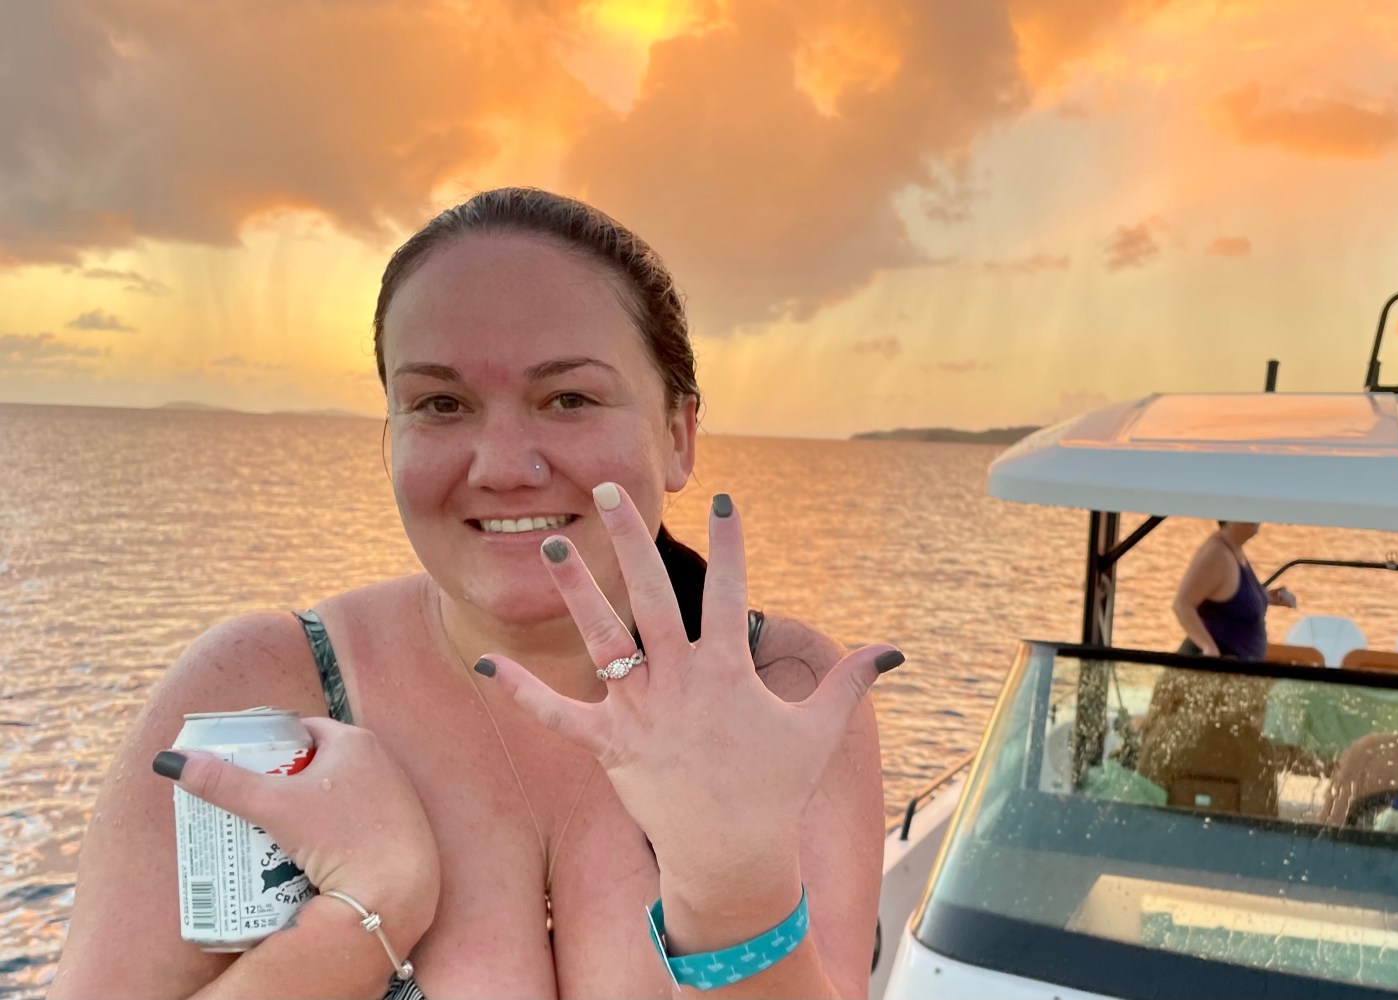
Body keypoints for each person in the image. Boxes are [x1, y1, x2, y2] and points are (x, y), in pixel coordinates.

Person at [50, 189, 901, 998]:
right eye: (441, 403)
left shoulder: (780, 695)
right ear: (391, 436)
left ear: (677, 435)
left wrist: (735, 892)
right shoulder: (263, 690)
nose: (501, 467)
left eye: (567, 398)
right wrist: (364, 915)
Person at [1172, 520, 1296, 661]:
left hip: (1237, 673)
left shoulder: (1234, 548)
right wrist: (1209, 649)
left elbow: (1230, 598)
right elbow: (1182, 605)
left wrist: (1264, 596)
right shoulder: (1217, 554)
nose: (1258, 519)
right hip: (1212, 672)